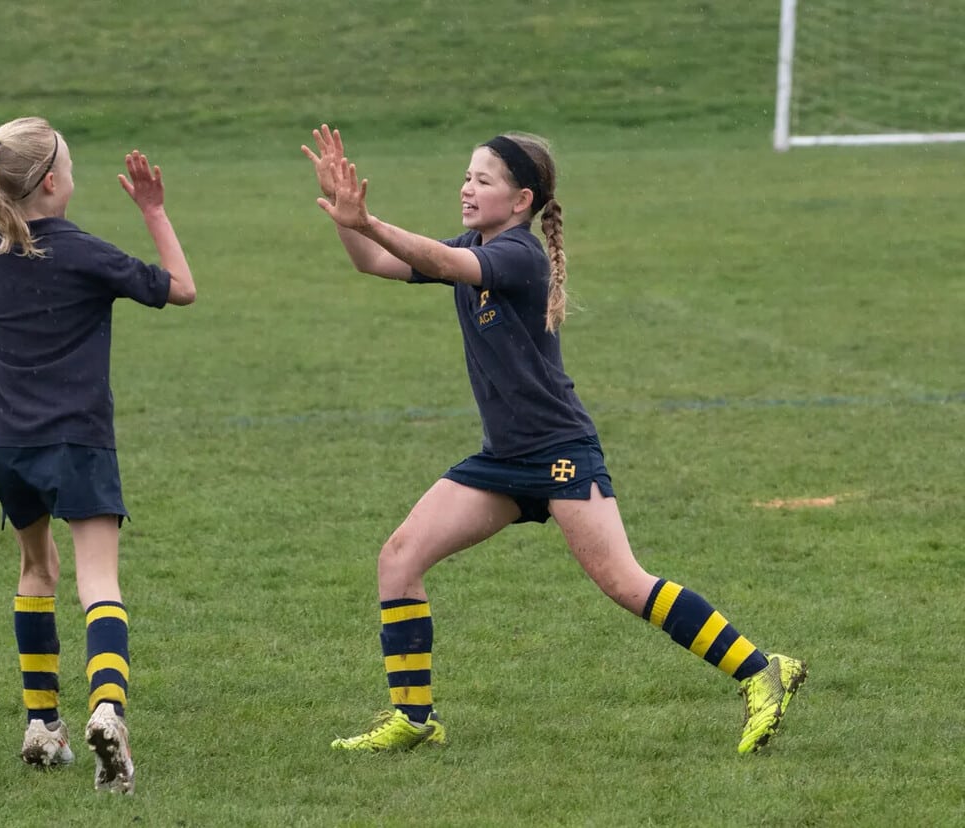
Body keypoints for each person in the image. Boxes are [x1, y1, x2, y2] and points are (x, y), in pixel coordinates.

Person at [301, 124, 806, 755]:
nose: (466, 189)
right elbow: (373, 261)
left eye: (483, 180)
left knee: (623, 581)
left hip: (559, 452)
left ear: (521, 201)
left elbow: (443, 263)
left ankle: (763, 670)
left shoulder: (519, 255)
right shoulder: (475, 244)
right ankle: (414, 718)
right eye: (466, 176)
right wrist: (344, 212)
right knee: (399, 559)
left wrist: (369, 219)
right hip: (503, 459)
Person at [0, 116, 196, 793]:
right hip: (76, 440)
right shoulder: (86, 253)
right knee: (99, 581)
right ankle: (107, 711)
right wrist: (153, 211)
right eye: (69, 166)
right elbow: (180, 286)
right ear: (51, 182)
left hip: (3, 441)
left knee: (37, 571)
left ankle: (43, 725)